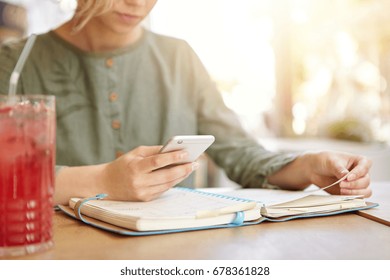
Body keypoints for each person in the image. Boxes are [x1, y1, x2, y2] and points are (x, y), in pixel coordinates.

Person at [0, 0, 372, 205]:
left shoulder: (179, 57)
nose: (138, 2)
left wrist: (306, 167)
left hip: (173, 251)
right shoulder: (15, 63)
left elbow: (240, 153)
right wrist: (103, 180)